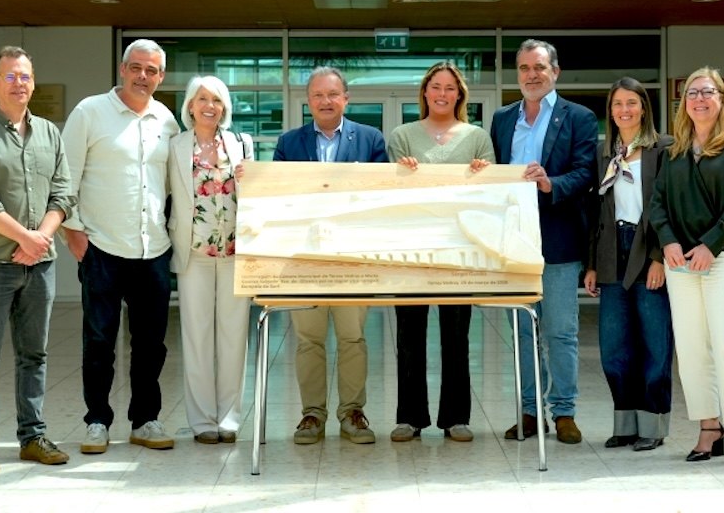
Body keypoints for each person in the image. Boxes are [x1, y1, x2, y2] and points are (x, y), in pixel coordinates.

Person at [0, 46, 74, 475]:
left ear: (33, 83)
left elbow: (63, 193)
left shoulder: (49, 133)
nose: (18, 83)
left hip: (39, 265)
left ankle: (32, 437)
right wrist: (26, 238)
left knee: (34, 355)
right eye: (9, 76)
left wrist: (40, 239)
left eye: (25, 76)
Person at [62, 39, 180, 454]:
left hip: (153, 250)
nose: (143, 76)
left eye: (152, 70)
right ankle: (97, 421)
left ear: (161, 77)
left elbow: (175, 184)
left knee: (151, 345)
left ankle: (145, 420)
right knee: (99, 342)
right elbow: (65, 175)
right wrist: (72, 231)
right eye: (136, 68)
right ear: (122, 69)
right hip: (102, 247)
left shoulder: (167, 121)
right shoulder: (89, 112)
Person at [650, 67, 724, 469]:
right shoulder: (674, 149)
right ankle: (709, 427)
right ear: (683, 102)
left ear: (721, 98)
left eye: (707, 92)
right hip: (679, 261)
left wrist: (711, 245)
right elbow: (657, 202)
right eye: (692, 93)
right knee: (690, 347)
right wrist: (668, 240)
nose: (699, 99)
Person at [490, 39, 598, 444]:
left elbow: (586, 172)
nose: (531, 75)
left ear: (555, 71)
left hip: (559, 238)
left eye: (538, 67)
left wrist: (551, 184)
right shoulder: (503, 118)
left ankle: (564, 411)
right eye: (524, 68)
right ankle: (530, 412)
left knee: (560, 332)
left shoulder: (579, 117)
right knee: (522, 332)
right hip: (512, 240)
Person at [273, 66, 387, 445]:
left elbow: (382, 195)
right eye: (318, 95)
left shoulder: (370, 139)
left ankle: (352, 413)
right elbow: (277, 198)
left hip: (353, 255)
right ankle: (312, 415)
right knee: (309, 340)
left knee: (352, 338)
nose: (326, 101)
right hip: (304, 256)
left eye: (333, 94)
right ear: (308, 101)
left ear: (346, 99)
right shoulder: (289, 143)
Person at [387, 61, 494, 443]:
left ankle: (456, 418)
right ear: (425, 92)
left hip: (459, 250)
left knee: (457, 336)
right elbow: (391, 193)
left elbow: (491, 192)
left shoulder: (477, 137)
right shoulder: (402, 136)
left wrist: (482, 173)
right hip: (411, 249)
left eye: (450, 88)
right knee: (409, 336)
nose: (442, 94)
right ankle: (409, 417)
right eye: (436, 87)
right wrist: (401, 172)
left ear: (460, 94)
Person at [583, 77, 674, 452]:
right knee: (614, 346)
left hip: (647, 248)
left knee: (654, 344)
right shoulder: (604, 153)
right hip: (611, 253)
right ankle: (625, 423)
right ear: (610, 110)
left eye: (632, 102)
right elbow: (596, 212)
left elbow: (668, 206)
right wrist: (592, 264)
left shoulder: (663, 148)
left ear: (644, 108)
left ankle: (653, 425)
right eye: (618, 103)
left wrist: (659, 258)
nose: (625, 110)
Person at [168, 75, 253, 444]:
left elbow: (255, 194)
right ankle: (202, 421)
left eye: (217, 100)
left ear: (225, 107)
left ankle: (229, 419)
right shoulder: (175, 146)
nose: (210, 106)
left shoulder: (241, 143)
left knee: (234, 338)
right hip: (194, 253)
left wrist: (249, 178)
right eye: (202, 98)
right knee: (197, 337)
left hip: (235, 253)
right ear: (190, 105)